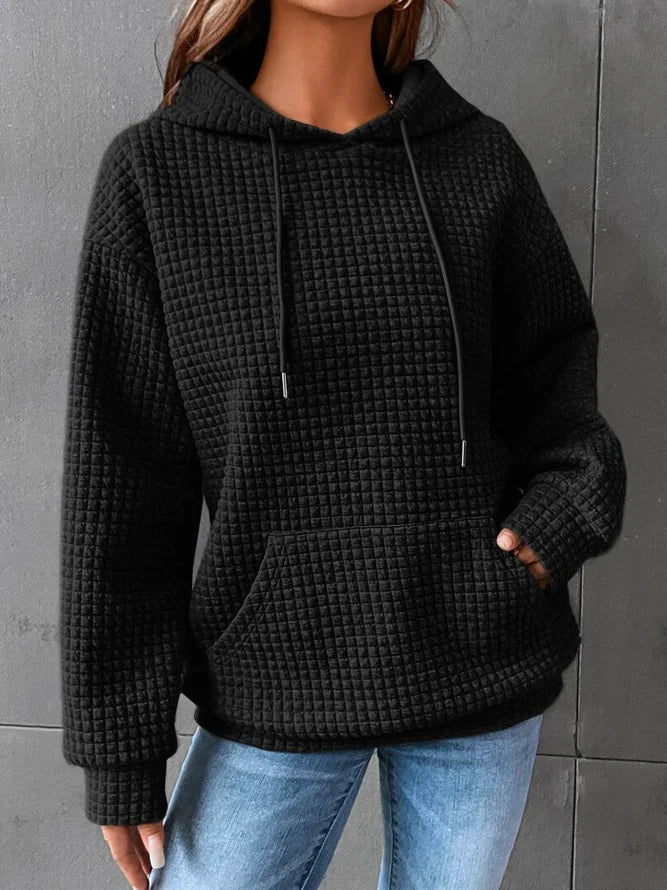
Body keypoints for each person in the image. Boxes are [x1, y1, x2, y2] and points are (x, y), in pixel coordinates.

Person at [58, 0, 627, 887]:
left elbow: (560, 389)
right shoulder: (160, 174)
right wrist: (119, 748)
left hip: (479, 658)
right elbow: (122, 483)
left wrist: (559, 520)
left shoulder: (477, 159)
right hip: (275, 675)